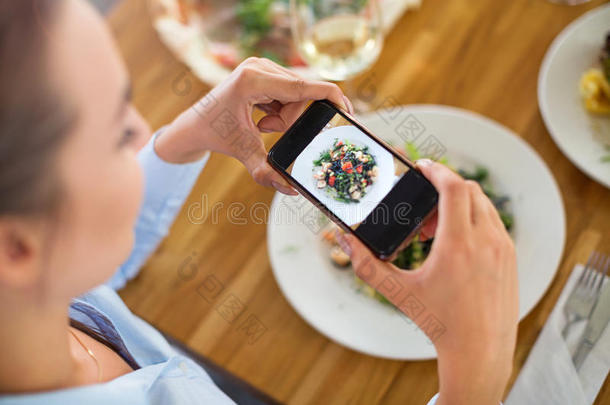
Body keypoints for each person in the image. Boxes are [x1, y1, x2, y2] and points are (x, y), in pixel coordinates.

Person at [0, 0, 518, 404]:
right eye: (118, 134)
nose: (143, 131)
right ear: (17, 247)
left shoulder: (32, 298)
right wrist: (475, 382)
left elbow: (86, 262)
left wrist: (185, 138)